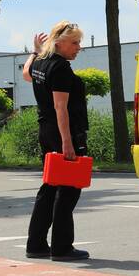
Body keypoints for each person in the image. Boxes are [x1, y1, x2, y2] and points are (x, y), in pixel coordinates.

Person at [22, 21, 91, 261]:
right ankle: (62, 247)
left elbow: (26, 74)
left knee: (50, 186)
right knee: (69, 189)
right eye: (75, 43)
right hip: (63, 132)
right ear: (59, 43)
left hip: (46, 130)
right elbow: (60, 107)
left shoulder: (40, 62)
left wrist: (34, 52)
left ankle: (36, 244)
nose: (78, 47)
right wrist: (67, 142)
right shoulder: (60, 67)